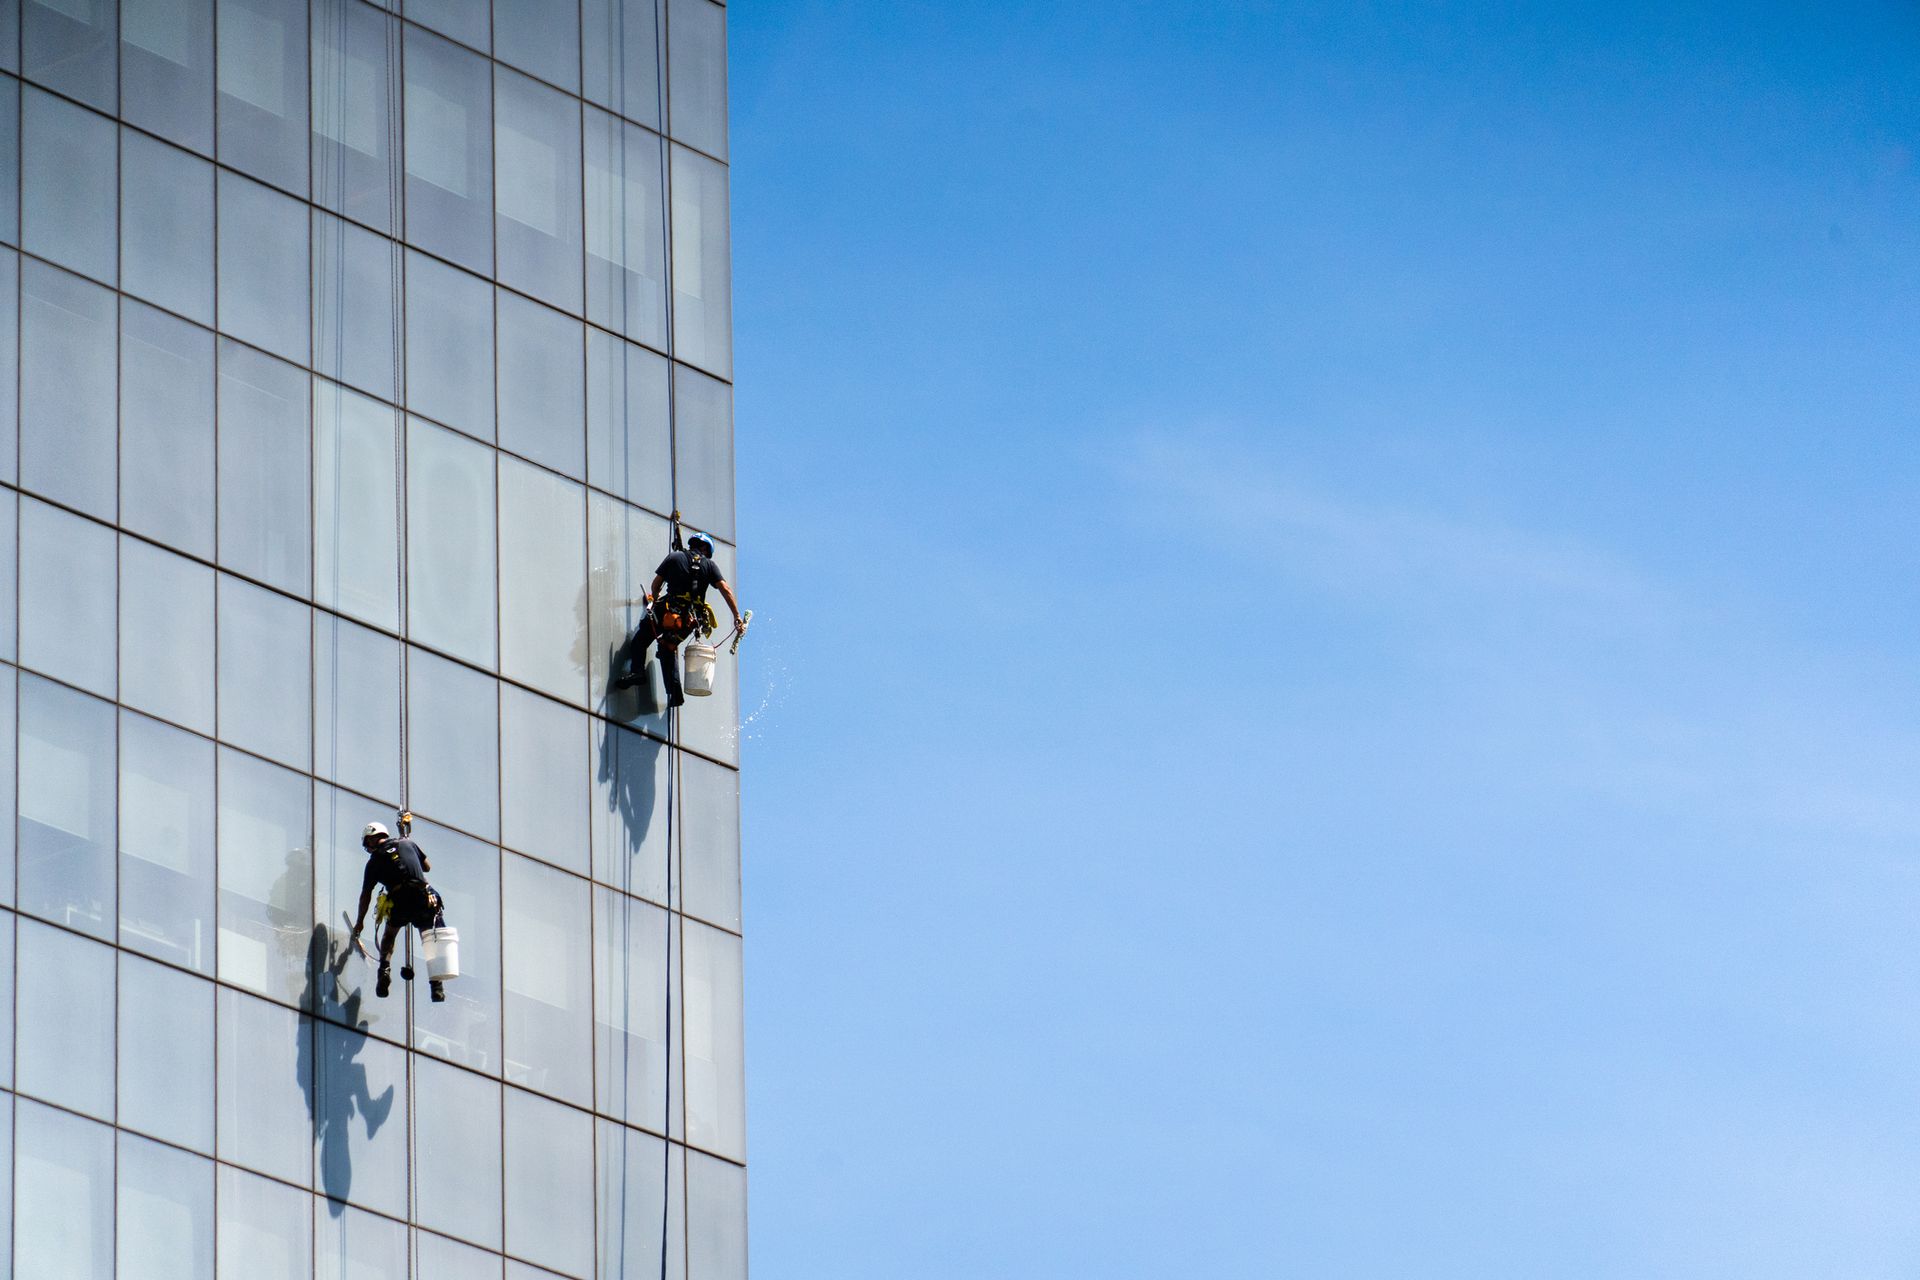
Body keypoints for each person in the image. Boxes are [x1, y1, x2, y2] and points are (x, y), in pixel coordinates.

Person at [612, 531, 746, 706]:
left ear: (693, 544)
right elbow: (726, 590)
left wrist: (653, 598)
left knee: (640, 640)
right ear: (705, 548)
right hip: (687, 620)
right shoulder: (710, 566)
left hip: (666, 612)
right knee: (668, 648)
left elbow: (656, 584)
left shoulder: (674, 557)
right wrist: (737, 617)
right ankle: (675, 694)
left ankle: (638, 672)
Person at [348, 821, 450, 1002]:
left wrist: (360, 922)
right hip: (423, 897)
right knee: (429, 939)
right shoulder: (407, 843)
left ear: (372, 838)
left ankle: (384, 970)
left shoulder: (373, 863)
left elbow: (365, 896)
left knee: (389, 935)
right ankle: (436, 985)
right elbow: (427, 867)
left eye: (367, 844)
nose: (368, 849)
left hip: (399, 900)